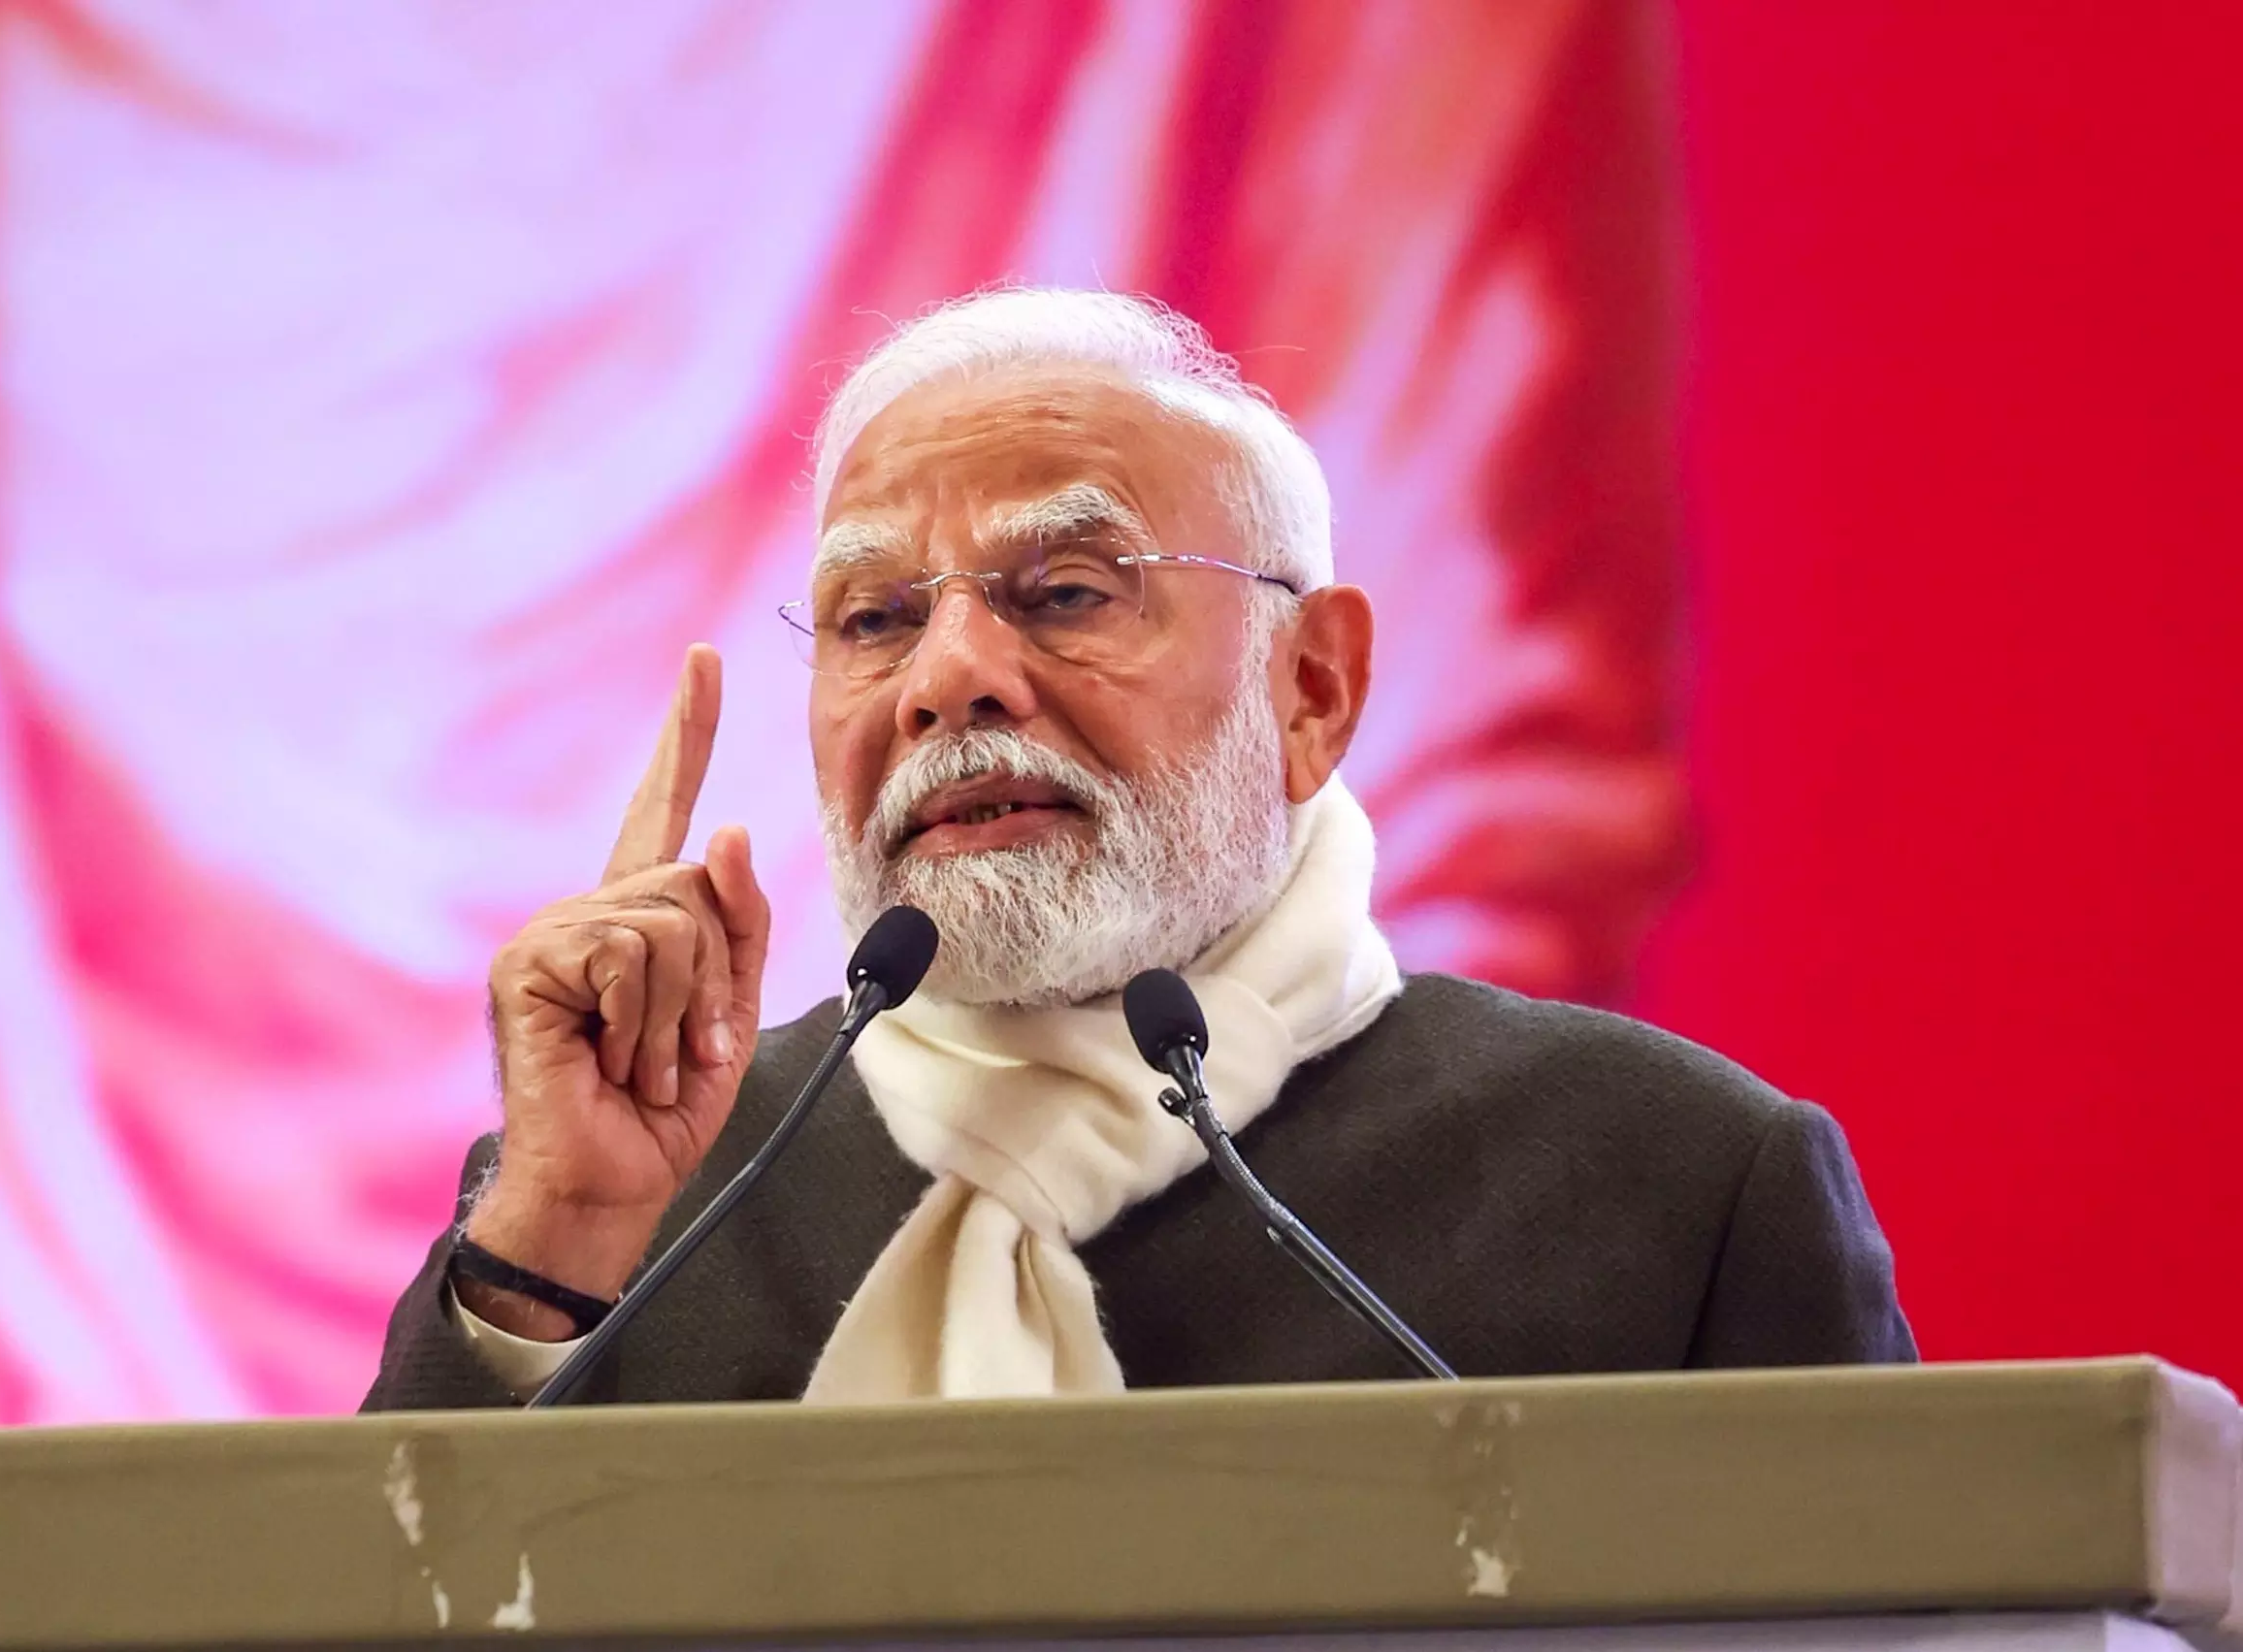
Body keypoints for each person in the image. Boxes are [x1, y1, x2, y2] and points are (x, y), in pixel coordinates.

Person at [362, 289, 1911, 1410]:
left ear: (1311, 686)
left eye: (1064, 591)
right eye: (875, 616)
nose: (946, 677)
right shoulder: (640, 1185)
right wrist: (555, 1239)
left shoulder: (1677, 1181)